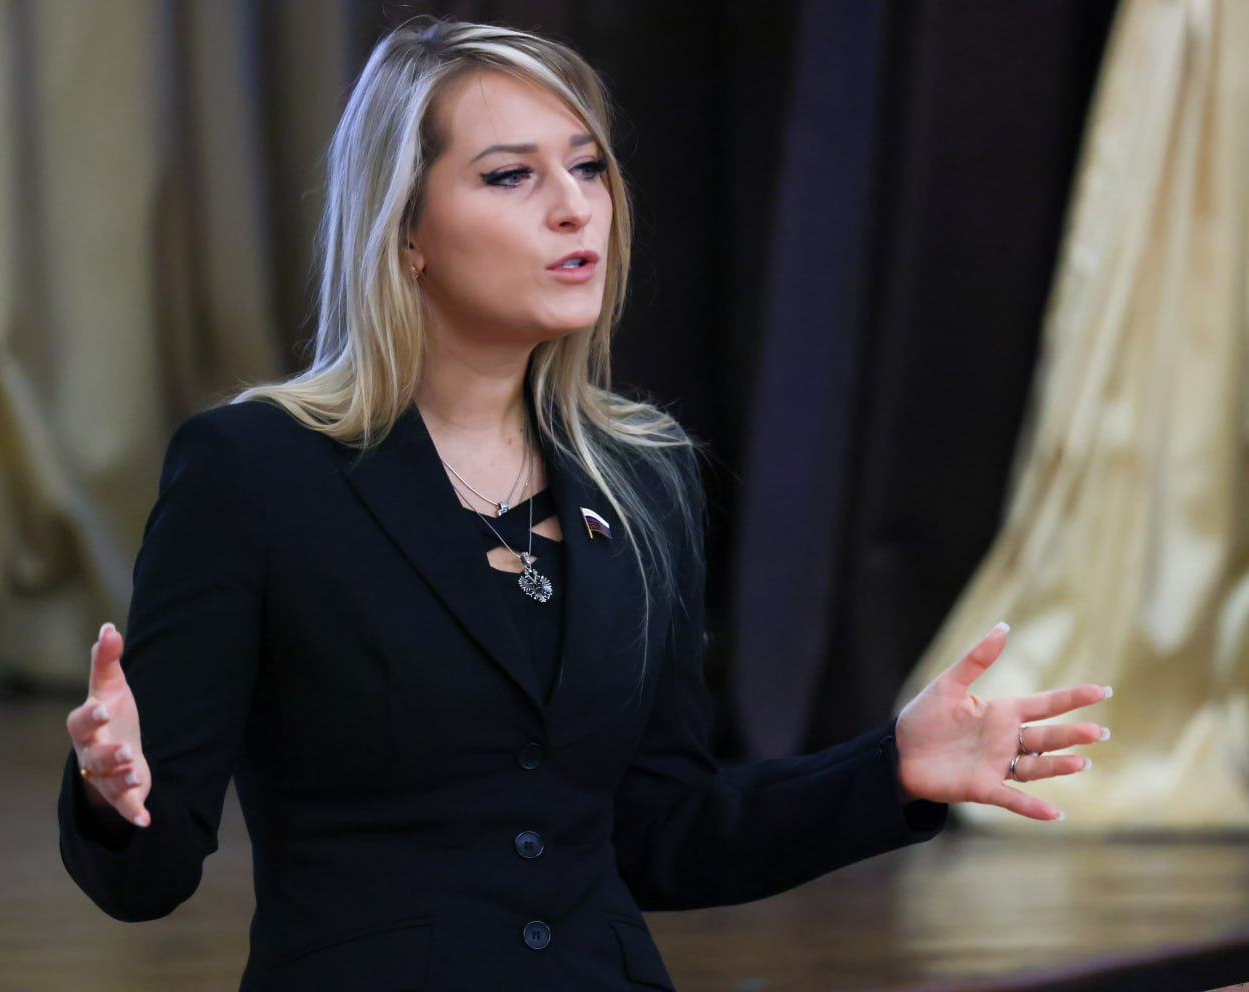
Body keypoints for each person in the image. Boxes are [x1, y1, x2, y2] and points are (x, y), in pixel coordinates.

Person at [58, 18, 1110, 991]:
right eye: (510, 175)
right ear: (405, 229)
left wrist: (890, 771)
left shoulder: (641, 474)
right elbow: (146, 878)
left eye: (588, 166)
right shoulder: (251, 469)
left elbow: (662, 833)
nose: (574, 207)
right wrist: (111, 787)